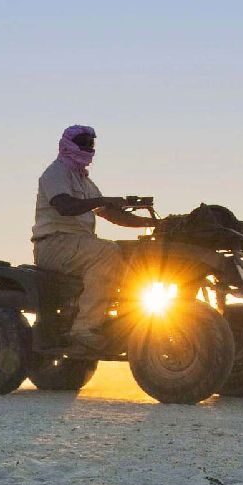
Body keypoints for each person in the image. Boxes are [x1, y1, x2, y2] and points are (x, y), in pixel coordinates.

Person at [31, 124, 153, 355]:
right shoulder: (55, 173)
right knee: (108, 252)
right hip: (55, 244)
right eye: (83, 142)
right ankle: (85, 328)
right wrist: (103, 201)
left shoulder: (85, 182)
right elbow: (65, 206)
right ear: (69, 144)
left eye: (91, 143)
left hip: (78, 245)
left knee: (133, 254)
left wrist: (154, 224)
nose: (88, 147)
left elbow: (113, 215)